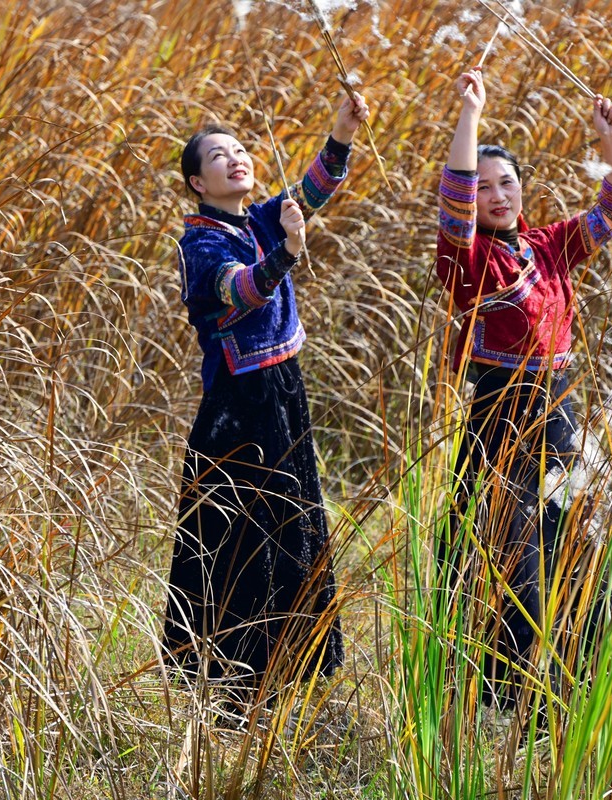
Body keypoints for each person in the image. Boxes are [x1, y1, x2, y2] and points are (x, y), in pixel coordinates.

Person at [436, 66, 612, 709]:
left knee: (580, 555)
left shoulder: (547, 246)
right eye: (487, 186)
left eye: (509, 183)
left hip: (561, 417)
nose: (498, 195)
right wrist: (470, 117)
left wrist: (611, 142)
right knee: (507, 556)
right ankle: (507, 699)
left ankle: (576, 697)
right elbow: (457, 198)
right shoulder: (466, 260)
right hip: (500, 420)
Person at [164, 91, 370, 717]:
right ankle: (235, 685)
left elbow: (313, 189)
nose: (237, 160)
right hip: (239, 407)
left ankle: (289, 673)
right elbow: (242, 291)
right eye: (219, 157)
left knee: (294, 524)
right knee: (243, 540)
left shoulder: (258, 218)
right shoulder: (199, 246)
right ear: (198, 182)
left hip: (283, 391)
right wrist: (287, 253)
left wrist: (342, 128)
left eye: (241, 151)